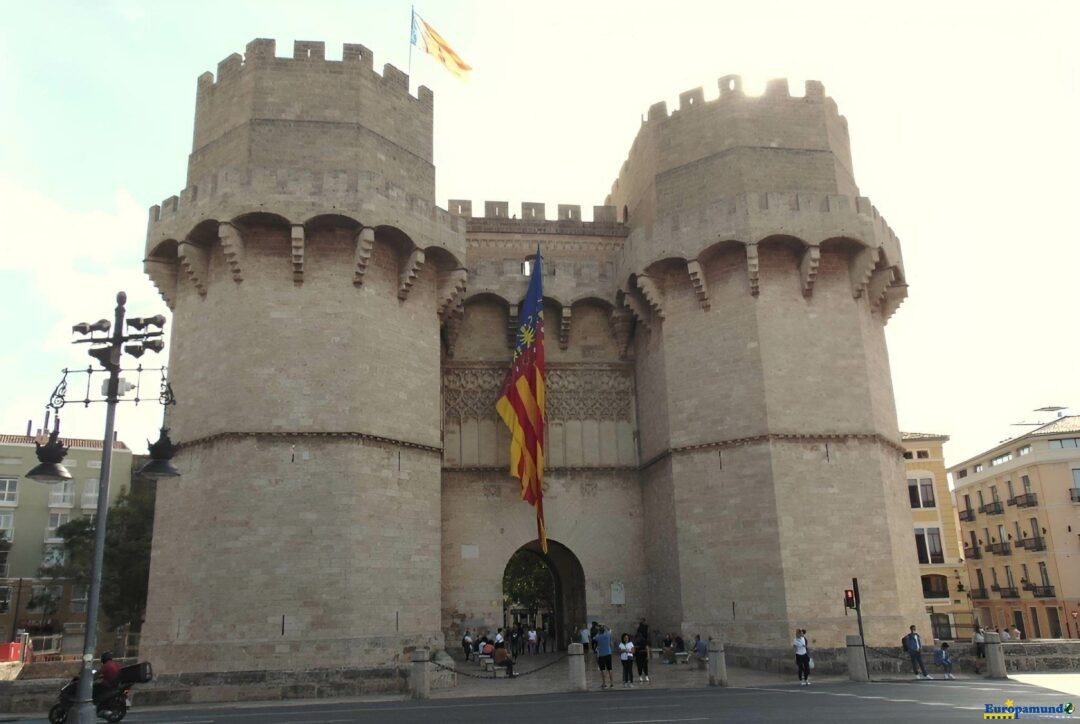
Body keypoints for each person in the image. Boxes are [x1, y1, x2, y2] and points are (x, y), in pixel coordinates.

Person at [595, 624, 614, 689]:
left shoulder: (598, 637)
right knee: (610, 669)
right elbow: (609, 629)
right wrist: (605, 625)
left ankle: (604, 683)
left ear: (599, 631)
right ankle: (611, 684)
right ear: (604, 630)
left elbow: (595, 637)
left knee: (602, 670)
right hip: (608, 654)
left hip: (601, 655)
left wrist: (599, 630)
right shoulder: (608, 635)